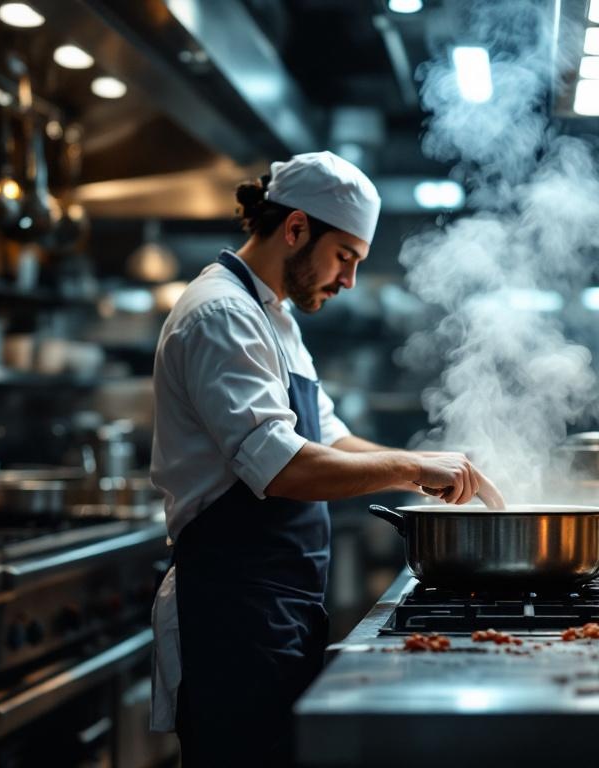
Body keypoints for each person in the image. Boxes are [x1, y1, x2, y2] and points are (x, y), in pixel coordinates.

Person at [149, 151, 502, 766]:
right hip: (228, 614)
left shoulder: (274, 317)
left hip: (278, 605)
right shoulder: (221, 315)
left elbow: (330, 439)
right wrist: (411, 469)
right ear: (295, 228)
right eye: (345, 257)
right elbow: (284, 467)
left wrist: (426, 463)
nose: (349, 281)